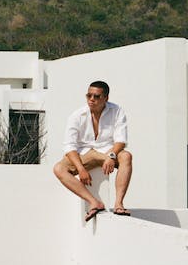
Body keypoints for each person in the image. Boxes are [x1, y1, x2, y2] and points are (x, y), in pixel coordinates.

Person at [53, 81, 133, 221]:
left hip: (107, 150)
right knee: (59, 168)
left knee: (126, 156)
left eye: (96, 96)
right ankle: (94, 202)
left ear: (106, 98)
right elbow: (69, 146)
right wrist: (80, 169)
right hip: (85, 152)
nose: (91, 99)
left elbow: (121, 140)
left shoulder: (117, 111)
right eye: (89, 95)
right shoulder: (77, 115)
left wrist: (112, 155)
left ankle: (119, 204)